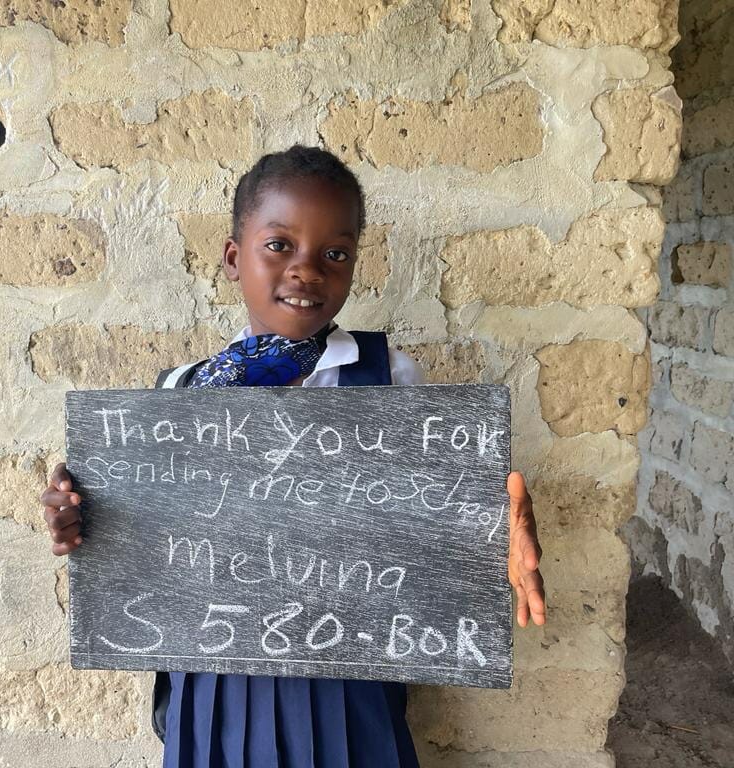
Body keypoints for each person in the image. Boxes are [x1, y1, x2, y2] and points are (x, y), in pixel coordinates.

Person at [41, 145, 547, 767]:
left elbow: (437, 511)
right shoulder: (180, 393)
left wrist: (494, 530)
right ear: (234, 258)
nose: (306, 271)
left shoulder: (390, 379)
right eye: (279, 245)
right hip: (217, 682)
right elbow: (146, 540)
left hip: (350, 677)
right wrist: (82, 516)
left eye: (335, 254)